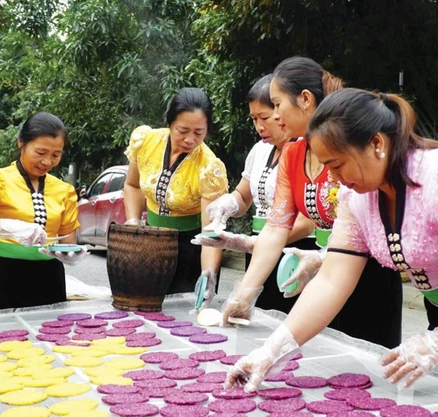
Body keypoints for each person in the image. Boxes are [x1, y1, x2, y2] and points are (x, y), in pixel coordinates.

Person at [225, 88, 438, 411]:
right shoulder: (355, 197)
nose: (335, 179)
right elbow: (332, 282)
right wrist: (271, 352)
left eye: (337, 165)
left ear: (376, 143)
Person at [220, 57, 402, 348]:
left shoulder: (354, 148)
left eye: (277, 104)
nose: (275, 115)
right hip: (325, 275)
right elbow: (276, 227)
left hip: (369, 276)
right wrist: (245, 291)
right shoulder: (292, 154)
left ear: (305, 99)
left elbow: (376, 223)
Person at [194, 74, 316, 313]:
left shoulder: (308, 152)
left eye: (266, 117)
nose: (260, 126)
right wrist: (228, 204)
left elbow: (306, 223)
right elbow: (243, 195)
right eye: (254, 119)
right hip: (259, 249)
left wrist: (259, 243)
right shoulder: (260, 151)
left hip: (292, 251)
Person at [0, 112, 86, 312]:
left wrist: (70, 254)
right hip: (5, 273)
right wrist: (7, 226)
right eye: (40, 153)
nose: (47, 162)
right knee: (3, 338)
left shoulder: (64, 190)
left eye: (56, 155)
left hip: (50, 276)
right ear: (21, 143)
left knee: (49, 336)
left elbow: (68, 242)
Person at [122, 87, 228, 303]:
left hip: (189, 250)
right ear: (169, 122)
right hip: (149, 243)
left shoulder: (209, 167)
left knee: (183, 317)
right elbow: (132, 185)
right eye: (183, 130)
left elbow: (210, 231)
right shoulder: (145, 141)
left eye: (199, 132)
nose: (190, 139)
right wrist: (133, 222)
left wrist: (208, 274)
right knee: (144, 309)